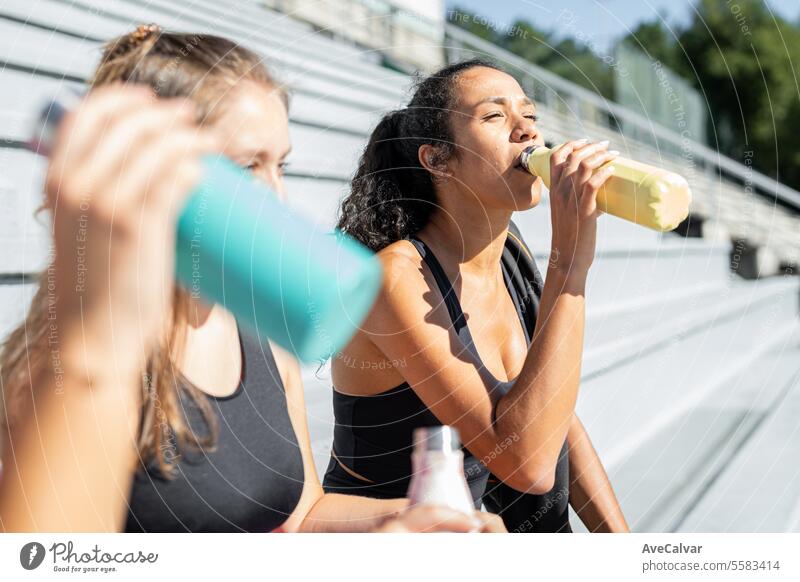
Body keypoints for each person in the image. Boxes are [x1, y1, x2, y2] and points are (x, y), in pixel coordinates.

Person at [0, 26, 503, 534]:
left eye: (279, 164)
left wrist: (421, 522)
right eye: (246, 166)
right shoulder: (60, 368)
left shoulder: (260, 328)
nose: (276, 196)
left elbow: (302, 515)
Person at [323, 59, 629, 533]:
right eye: (494, 116)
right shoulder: (395, 278)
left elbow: (554, 412)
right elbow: (525, 465)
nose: (527, 131)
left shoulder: (512, 251)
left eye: (529, 115)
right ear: (437, 160)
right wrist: (569, 264)